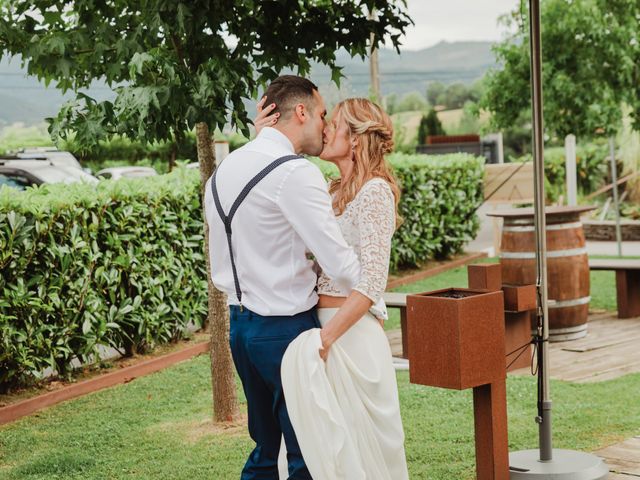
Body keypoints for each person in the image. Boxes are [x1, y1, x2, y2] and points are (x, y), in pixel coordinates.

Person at [204, 75, 370, 480]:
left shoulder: (224, 170)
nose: (326, 126)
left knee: (265, 451)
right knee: (306, 453)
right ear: (301, 112)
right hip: (286, 332)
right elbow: (339, 261)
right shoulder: (295, 173)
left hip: (239, 330)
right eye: (322, 114)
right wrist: (373, 298)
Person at [255, 98, 409, 479]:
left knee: (364, 450)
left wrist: (325, 340)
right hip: (317, 329)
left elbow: (372, 283)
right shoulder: (327, 190)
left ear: (356, 139)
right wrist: (263, 138)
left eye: (335, 124)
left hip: (351, 337)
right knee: (323, 449)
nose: (325, 129)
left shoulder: (375, 193)